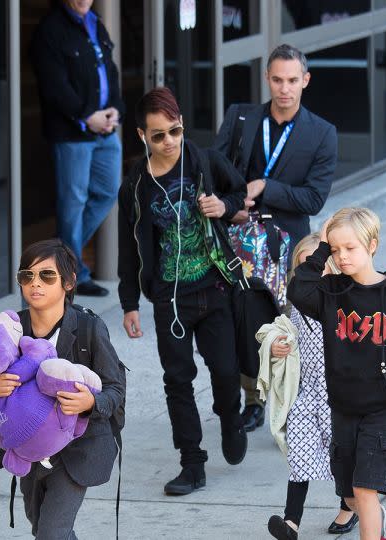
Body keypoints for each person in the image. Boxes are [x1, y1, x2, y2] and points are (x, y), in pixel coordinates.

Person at [118, 87, 248, 495]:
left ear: (182, 127)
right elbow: (129, 246)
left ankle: (230, 416)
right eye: (158, 135)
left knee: (226, 371)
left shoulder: (204, 161)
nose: (169, 141)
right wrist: (129, 303)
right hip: (169, 298)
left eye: (174, 131)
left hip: (212, 287)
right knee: (177, 379)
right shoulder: (136, 186)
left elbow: (239, 192)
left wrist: (223, 207)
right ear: (142, 136)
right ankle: (192, 463)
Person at [288, 208, 386, 540]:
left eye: (350, 248)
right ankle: (376, 527)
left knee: (364, 488)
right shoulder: (331, 292)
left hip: (382, 407)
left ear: (372, 245)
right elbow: (298, 292)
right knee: (350, 492)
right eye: (336, 249)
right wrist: (322, 246)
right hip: (342, 407)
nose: (342, 257)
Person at [214, 43, 338, 432]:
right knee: (244, 318)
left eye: (292, 80)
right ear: (267, 79)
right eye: (277, 80)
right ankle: (252, 398)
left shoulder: (322, 133)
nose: (284, 89)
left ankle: (287, 397)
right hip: (238, 236)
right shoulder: (241, 118)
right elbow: (215, 170)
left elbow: (314, 198)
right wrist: (229, 204)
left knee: (288, 323)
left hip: (288, 242)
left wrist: (266, 185)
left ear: (306, 80)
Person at [0, 239, 126, 538]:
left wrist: (89, 403)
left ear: (68, 283)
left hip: (77, 451)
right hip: (29, 450)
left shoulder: (88, 328)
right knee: (41, 527)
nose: (35, 284)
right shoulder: (10, 329)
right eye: (26, 276)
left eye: (47, 276)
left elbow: (115, 389)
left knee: (51, 533)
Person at [265, 233, 356, 540]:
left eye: (318, 263)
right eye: (305, 264)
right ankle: (291, 522)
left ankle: (349, 506)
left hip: (338, 395)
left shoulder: (343, 301)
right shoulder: (295, 307)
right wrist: (277, 345)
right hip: (305, 393)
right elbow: (279, 335)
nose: (312, 271)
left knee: (340, 455)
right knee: (299, 455)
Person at [32, 0, 126, 297]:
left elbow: (110, 72)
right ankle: (71, 273)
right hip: (73, 132)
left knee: (109, 191)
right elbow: (54, 87)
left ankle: (58, 257)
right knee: (73, 203)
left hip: (105, 128)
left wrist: (115, 111)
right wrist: (87, 115)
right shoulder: (51, 30)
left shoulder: (95, 22)